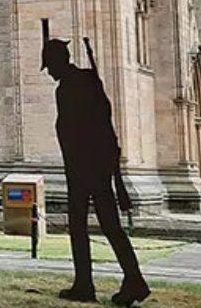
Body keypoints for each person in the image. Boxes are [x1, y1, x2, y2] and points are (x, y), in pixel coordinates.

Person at [43, 27, 151, 306]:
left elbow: (73, 130)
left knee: (80, 226)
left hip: (83, 167)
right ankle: (132, 279)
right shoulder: (88, 80)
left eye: (50, 66)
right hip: (98, 166)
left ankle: (87, 284)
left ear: (58, 62)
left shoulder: (68, 88)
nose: (49, 73)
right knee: (110, 226)